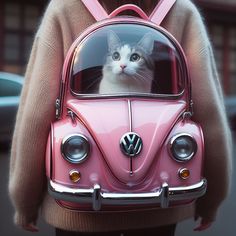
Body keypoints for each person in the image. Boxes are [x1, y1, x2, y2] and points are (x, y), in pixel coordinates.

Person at [9, 0, 232, 236]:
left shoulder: (64, 7)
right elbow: (208, 113)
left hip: (79, 204)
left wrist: (25, 201)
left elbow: (36, 112)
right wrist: (211, 200)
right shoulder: (182, 10)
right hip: (160, 203)